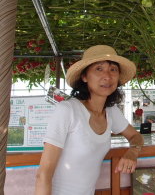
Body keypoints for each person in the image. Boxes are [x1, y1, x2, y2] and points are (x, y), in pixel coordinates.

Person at [35, 45, 144, 195]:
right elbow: (43, 174)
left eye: (113, 69)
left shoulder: (111, 112)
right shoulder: (67, 110)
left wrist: (133, 152)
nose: (107, 76)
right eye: (99, 69)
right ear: (84, 77)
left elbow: (135, 136)